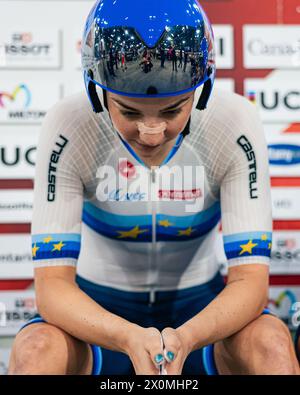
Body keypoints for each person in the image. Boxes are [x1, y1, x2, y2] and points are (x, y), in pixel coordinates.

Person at [8, 0, 300, 375]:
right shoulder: (69, 123)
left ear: (202, 91)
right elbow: (52, 289)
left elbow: (251, 283)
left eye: (172, 110)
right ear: (97, 93)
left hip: (201, 315)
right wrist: (127, 336)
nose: (151, 132)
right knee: (35, 350)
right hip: (98, 314)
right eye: (129, 112)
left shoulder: (234, 120)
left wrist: (188, 337)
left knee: (272, 344)